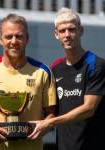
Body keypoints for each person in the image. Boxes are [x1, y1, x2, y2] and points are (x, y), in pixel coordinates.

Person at [0, 13, 56, 150]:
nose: (14, 41)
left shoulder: (43, 72)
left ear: (27, 39)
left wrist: (43, 127)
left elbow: (52, 113)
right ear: (0, 40)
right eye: (8, 36)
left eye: (19, 36)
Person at [48, 7, 105, 150]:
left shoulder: (96, 64)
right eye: (62, 31)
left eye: (72, 29)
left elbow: (89, 109)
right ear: (56, 35)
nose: (67, 35)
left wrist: (51, 122)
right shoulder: (55, 68)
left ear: (81, 31)